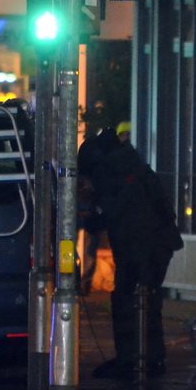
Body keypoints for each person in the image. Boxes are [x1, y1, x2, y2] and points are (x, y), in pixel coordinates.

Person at [91, 122, 183, 380]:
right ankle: (146, 358)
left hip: (142, 248)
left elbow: (116, 213)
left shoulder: (114, 175)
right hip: (154, 245)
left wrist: (92, 220)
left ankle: (137, 359)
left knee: (132, 300)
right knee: (145, 301)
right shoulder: (132, 168)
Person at [77, 125, 119, 293]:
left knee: (69, 241)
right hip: (93, 203)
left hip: (81, 199)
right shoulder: (109, 153)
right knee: (90, 245)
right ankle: (84, 282)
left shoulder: (89, 146)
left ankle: (76, 280)